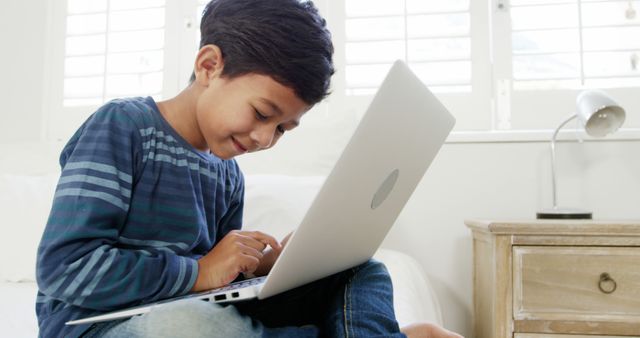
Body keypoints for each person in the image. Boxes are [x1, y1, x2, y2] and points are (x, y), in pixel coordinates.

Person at [35, 0, 463, 337]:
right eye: (261, 112)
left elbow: (217, 285)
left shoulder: (226, 172)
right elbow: (64, 269)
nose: (263, 139)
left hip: (188, 309)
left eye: (283, 129)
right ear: (209, 66)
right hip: (99, 327)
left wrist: (264, 267)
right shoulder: (123, 127)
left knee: (361, 269)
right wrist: (199, 271)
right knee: (191, 328)